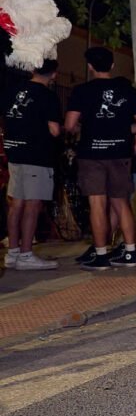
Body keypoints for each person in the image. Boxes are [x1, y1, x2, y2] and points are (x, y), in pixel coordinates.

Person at [64, 46, 136, 270]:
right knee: (121, 202)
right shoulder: (127, 91)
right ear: (112, 65)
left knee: (97, 203)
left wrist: (88, 127)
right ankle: (130, 252)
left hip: (92, 154)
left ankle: (101, 255)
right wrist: (121, 130)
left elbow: (69, 125)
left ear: (90, 67)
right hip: (120, 153)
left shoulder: (82, 91)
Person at [2, 59, 61, 270]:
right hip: (36, 154)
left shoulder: (13, 90)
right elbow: (54, 129)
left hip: (14, 150)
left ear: (33, 68)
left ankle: (13, 252)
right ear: (53, 74)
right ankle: (27, 254)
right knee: (33, 204)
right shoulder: (47, 96)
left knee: (16, 202)